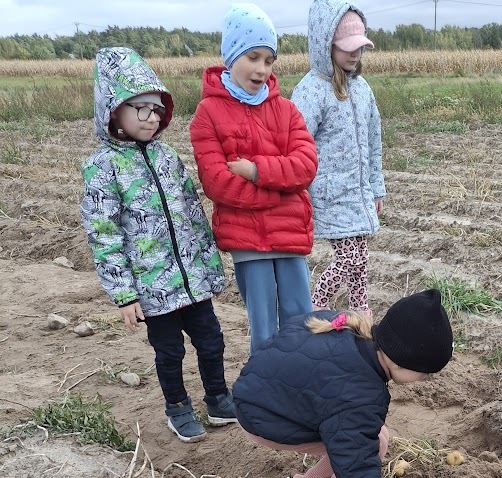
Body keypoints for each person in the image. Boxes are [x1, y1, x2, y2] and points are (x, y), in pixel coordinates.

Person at [80, 47, 235, 443]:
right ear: (114, 109)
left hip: (192, 279)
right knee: (169, 352)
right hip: (152, 287)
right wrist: (124, 295)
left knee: (211, 340)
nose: (152, 118)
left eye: (157, 110)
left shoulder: (167, 157)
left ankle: (218, 399)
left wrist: (208, 266)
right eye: (142, 109)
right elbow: (104, 234)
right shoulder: (104, 167)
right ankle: (178, 407)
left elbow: (192, 213)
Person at [232, 289, 453, 478]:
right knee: (368, 447)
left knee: (370, 437)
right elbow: (359, 477)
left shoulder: (348, 328)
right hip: (263, 416)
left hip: (257, 393)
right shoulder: (361, 395)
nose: (424, 380)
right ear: (402, 360)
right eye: (424, 373)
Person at [190, 3, 318, 352]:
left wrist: (256, 171)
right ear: (232, 56)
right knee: (264, 330)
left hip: (290, 237)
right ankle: (265, 383)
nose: (262, 69)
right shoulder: (208, 113)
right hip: (249, 243)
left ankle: (300, 379)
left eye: (269, 60)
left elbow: (306, 165)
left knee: (301, 322)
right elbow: (218, 183)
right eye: (253, 57)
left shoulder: (287, 110)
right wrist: (283, 192)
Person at [292, 0, 385, 316]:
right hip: (329, 195)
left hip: (358, 193)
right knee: (348, 258)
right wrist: (300, 192)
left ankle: (361, 313)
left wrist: (376, 187)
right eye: (347, 47)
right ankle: (315, 307)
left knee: (361, 258)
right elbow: (297, 145)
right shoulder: (312, 90)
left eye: (360, 47)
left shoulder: (362, 88)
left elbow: (373, 139)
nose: (355, 54)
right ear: (325, 43)